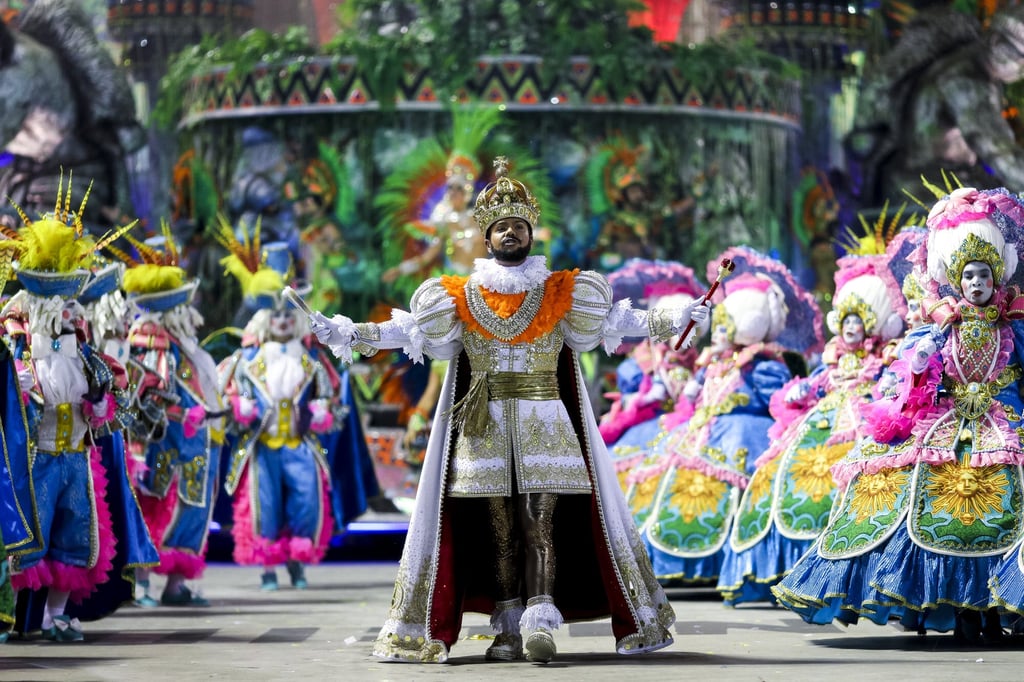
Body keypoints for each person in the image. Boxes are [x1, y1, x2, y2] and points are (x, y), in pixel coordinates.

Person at [308, 156, 708, 663]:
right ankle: (508, 625)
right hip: (483, 428)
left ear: (531, 232)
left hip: (547, 423)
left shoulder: (563, 291)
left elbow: (618, 319)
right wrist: (351, 333)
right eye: (502, 228)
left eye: (519, 225)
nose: (511, 234)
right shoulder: (456, 296)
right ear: (487, 236)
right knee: (497, 532)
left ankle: (541, 619)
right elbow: (408, 331)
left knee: (538, 525)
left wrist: (675, 316)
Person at [774, 186, 1024, 642]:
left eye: (983, 276)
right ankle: (956, 606)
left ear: (997, 279)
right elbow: (907, 384)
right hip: (943, 424)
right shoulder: (935, 329)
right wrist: (917, 364)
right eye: (967, 276)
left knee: (1004, 512)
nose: (975, 284)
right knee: (924, 508)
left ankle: (995, 605)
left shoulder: (1015, 327)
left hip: (1002, 422)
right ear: (955, 279)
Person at [1, 194, 129, 641]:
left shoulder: (82, 346)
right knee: (25, 541)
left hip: (76, 454)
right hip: (34, 457)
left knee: (75, 538)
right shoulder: (17, 345)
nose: (65, 313)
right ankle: (13, 617)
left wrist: (98, 404)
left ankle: (55, 616)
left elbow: (106, 401)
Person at [217, 238, 347, 591]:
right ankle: (268, 569)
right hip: (261, 445)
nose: (283, 320)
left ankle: (297, 563)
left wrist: (322, 412)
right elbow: (230, 402)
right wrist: (241, 409)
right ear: (263, 319)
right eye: (276, 314)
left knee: (305, 502)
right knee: (265, 505)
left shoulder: (311, 361)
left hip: (299, 443)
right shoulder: (246, 362)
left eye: (289, 314)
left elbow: (333, 401)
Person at [118, 229, 225, 607]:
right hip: (166, 445)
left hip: (195, 444)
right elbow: (140, 396)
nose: (189, 313)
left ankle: (176, 586)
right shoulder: (150, 338)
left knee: (192, 512)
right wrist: (141, 450)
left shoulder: (183, 342)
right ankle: (142, 586)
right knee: (154, 511)